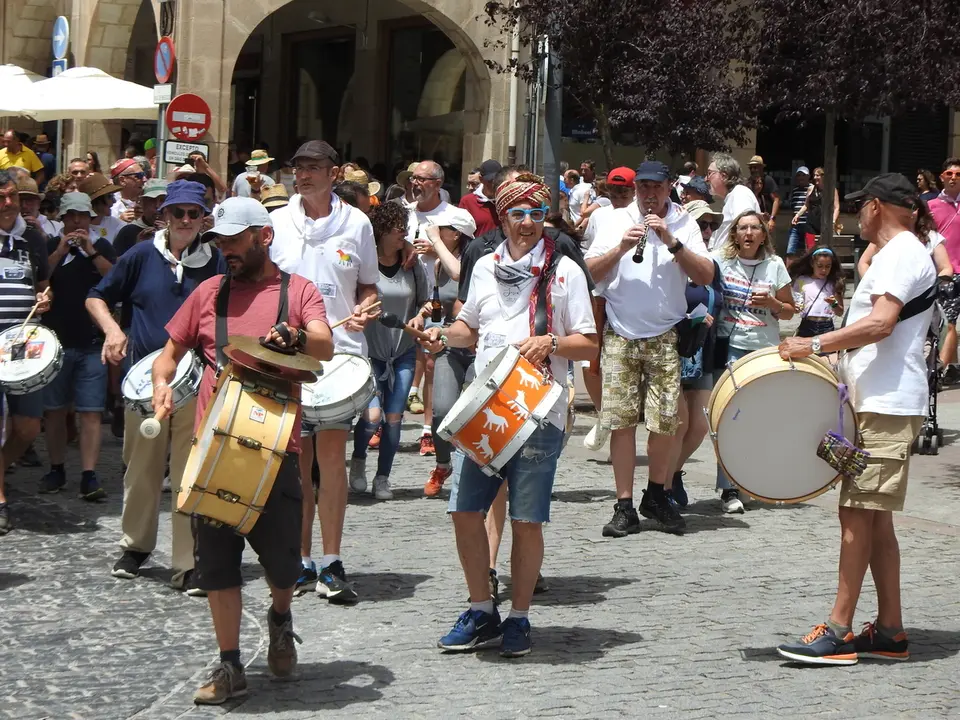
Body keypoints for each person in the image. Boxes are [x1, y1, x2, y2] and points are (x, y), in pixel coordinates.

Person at [155, 197, 333, 704]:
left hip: (276, 452)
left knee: (283, 566)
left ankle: (280, 616)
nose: (225, 249)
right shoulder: (209, 293)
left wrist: (296, 334)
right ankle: (230, 664)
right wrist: (162, 384)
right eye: (220, 241)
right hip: (214, 450)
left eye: (234, 240)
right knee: (217, 565)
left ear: (264, 237)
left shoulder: (297, 291)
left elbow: (323, 343)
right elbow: (168, 356)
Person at [423, 175, 597, 658]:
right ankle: (482, 610)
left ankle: (518, 617)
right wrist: (442, 332)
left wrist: (552, 342)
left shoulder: (564, 271)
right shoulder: (484, 266)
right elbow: (468, 326)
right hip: (488, 408)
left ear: (546, 219)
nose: (527, 223)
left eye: (536, 214)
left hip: (538, 412)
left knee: (526, 519)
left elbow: (588, 342)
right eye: (517, 214)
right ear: (502, 218)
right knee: (463, 511)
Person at [776, 173, 935, 666]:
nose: (856, 213)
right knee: (877, 522)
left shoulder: (903, 252)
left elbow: (881, 324)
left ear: (878, 208)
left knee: (856, 514)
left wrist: (816, 343)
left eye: (862, 205)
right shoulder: (898, 253)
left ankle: (840, 631)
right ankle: (890, 631)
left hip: (887, 406)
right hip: (877, 402)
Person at [86, 180, 224, 590]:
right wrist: (112, 330)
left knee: (188, 473)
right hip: (145, 381)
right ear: (163, 214)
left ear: (204, 218)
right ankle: (136, 545)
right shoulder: (142, 255)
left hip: (197, 381)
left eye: (193, 214)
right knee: (141, 469)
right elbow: (97, 296)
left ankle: (187, 562)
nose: (184, 220)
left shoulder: (216, 262)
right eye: (177, 212)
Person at [269, 140, 379, 603]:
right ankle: (300, 559)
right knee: (296, 466)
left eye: (314, 167)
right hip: (287, 356)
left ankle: (331, 560)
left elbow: (369, 287)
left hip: (339, 356)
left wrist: (363, 309)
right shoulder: (274, 223)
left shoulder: (357, 223)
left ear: (334, 174)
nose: (304, 175)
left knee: (330, 464)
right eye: (299, 167)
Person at [584, 161, 714, 537]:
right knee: (622, 422)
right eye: (643, 187)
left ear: (669, 186)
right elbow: (589, 270)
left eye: (656, 187)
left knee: (666, 423)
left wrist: (673, 242)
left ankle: (656, 494)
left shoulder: (684, 222)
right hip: (621, 333)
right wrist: (623, 247)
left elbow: (705, 275)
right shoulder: (612, 219)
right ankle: (624, 505)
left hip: (664, 336)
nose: (649, 194)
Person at [712, 210, 796, 512]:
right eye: (742, 228)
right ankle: (728, 489)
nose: (748, 233)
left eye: (754, 228)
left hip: (765, 351)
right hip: (732, 348)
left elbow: (789, 310)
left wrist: (773, 303)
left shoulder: (775, 266)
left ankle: (758, 481)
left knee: (762, 419)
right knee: (730, 419)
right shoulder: (721, 262)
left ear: (764, 234)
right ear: (735, 234)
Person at [350, 202, 429, 500]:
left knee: (394, 418)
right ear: (382, 232)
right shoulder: (366, 263)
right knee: (371, 416)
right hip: (370, 352)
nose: (404, 235)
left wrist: (421, 315)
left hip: (404, 351)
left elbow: (426, 300)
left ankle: (383, 478)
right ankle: (358, 462)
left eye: (406, 231)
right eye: (399, 230)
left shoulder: (412, 264)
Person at [38, 192, 115, 499]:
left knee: (91, 413)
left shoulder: (102, 246)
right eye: (71, 216)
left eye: (82, 216)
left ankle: (89, 474)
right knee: (54, 411)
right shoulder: (48, 245)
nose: (77, 222)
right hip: (56, 343)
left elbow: (115, 278)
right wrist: (59, 250)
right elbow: (40, 277)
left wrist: (91, 251)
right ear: (63, 218)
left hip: (91, 343)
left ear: (89, 217)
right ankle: (56, 468)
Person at [0, 170, 53, 534]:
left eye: (12, 196)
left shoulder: (34, 239)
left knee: (28, 427)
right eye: (0, 197)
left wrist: (44, 299)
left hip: (23, 345)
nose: (7, 204)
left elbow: (44, 287)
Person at [664, 200, 725, 507]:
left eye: (712, 225)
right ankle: (661, 487)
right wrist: (690, 318)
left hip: (704, 352)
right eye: (702, 224)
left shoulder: (712, 265)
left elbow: (723, 300)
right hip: (672, 351)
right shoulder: (667, 259)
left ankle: (672, 474)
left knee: (700, 425)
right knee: (679, 424)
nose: (708, 230)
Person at [418, 205, 476, 498]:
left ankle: (475, 470)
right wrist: (425, 312)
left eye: (440, 230)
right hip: (449, 342)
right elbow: (439, 299)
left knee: (475, 413)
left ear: (455, 235)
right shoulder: (439, 263)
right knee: (441, 410)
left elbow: (459, 277)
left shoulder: (475, 259)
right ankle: (443, 465)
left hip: (477, 345)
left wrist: (436, 243)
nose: (433, 234)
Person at [405, 160, 454, 453]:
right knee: (399, 360)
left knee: (432, 360)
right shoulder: (404, 213)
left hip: (437, 297)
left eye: (422, 178)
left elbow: (464, 257)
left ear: (437, 184)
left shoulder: (454, 216)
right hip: (403, 294)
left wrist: (436, 248)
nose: (415, 183)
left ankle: (428, 430)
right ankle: (387, 422)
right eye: (413, 178)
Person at [928, 158, 960, 377]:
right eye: (949, 174)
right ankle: (944, 369)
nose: (954, 178)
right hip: (947, 272)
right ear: (942, 177)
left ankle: (953, 365)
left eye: (958, 174)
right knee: (948, 322)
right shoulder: (931, 207)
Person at [707, 153, 761, 251]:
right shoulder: (734, 196)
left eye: (710, 173)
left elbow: (746, 234)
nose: (706, 178)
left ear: (724, 176)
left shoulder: (740, 194)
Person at [791, 247, 845, 338]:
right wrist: (795, 307)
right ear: (812, 264)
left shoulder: (833, 283)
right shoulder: (802, 281)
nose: (824, 270)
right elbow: (797, 304)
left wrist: (833, 304)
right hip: (807, 324)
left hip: (827, 325)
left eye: (828, 266)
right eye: (820, 266)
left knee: (827, 352)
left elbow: (840, 312)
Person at [582, 167, 635, 251]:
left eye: (624, 197)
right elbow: (587, 248)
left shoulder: (640, 217)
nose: (618, 202)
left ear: (634, 192)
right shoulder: (598, 215)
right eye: (613, 197)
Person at [113, 179, 167, 256]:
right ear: (142, 203)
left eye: (162, 200)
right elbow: (117, 265)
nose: (157, 206)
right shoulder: (128, 232)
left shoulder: (177, 231)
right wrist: (138, 247)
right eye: (152, 201)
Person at [793, 167, 840, 247]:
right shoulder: (810, 189)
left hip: (825, 223)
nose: (815, 177)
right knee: (810, 246)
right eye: (814, 175)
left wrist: (833, 221)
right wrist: (797, 215)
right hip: (811, 223)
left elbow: (837, 208)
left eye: (817, 175)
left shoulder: (832, 190)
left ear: (823, 176)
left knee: (823, 247)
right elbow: (806, 205)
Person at [78, 173, 128, 247]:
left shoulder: (118, 225)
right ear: (96, 201)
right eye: (109, 196)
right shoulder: (73, 225)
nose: (114, 201)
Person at [458, 159, 501, 237]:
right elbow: (460, 233)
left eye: (497, 181)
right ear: (481, 179)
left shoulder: (506, 200)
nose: (493, 185)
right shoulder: (468, 201)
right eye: (490, 181)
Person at [747, 155, 781, 233]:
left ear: (761, 168)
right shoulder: (748, 182)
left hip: (766, 221)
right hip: (752, 220)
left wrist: (772, 218)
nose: (752, 170)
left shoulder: (768, 180)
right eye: (751, 168)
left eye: (755, 167)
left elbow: (776, 199)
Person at [786, 167, 812, 265]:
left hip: (809, 226)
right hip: (796, 225)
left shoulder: (812, 188)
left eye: (803, 175)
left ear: (808, 176)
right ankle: (788, 276)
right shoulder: (795, 190)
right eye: (799, 175)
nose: (801, 177)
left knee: (809, 251)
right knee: (790, 250)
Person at [568, 160, 596, 226]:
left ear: (592, 170)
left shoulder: (597, 184)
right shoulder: (578, 183)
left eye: (586, 170)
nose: (583, 172)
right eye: (582, 170)